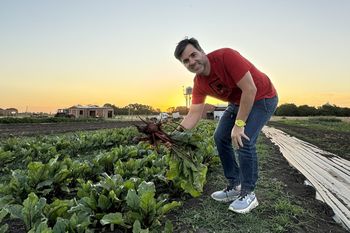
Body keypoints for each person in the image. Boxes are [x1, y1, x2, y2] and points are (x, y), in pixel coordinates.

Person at [174, 37, 278, 214]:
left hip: (262, 97)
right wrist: (174, 135)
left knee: (243, 140)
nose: (191, 61)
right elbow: (193, 114)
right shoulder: (199, 83)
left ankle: (248, 193)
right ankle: (235, 185)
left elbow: (250, 89)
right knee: (220, 137)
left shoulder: (226, 57)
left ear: (201, 51)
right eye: (186, 61)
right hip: (237, 102)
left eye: (193, 55)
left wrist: (239, 124)